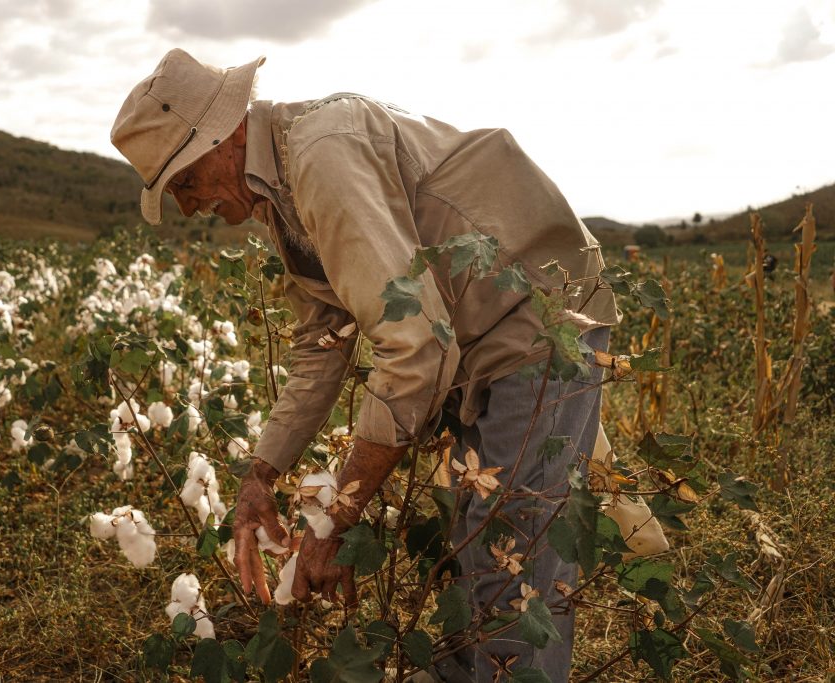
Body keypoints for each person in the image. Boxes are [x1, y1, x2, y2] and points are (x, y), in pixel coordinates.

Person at [111, 49, 619, 682]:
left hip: (538, 320)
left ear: (228, 134)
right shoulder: (281, 195)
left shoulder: (323, 158)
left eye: (184, 181)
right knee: (479, 541)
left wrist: (338, 516)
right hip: (477, 331)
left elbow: (417, 349)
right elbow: (322, 343)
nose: (187, 206)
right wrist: (260, 474)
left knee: (511, 550)